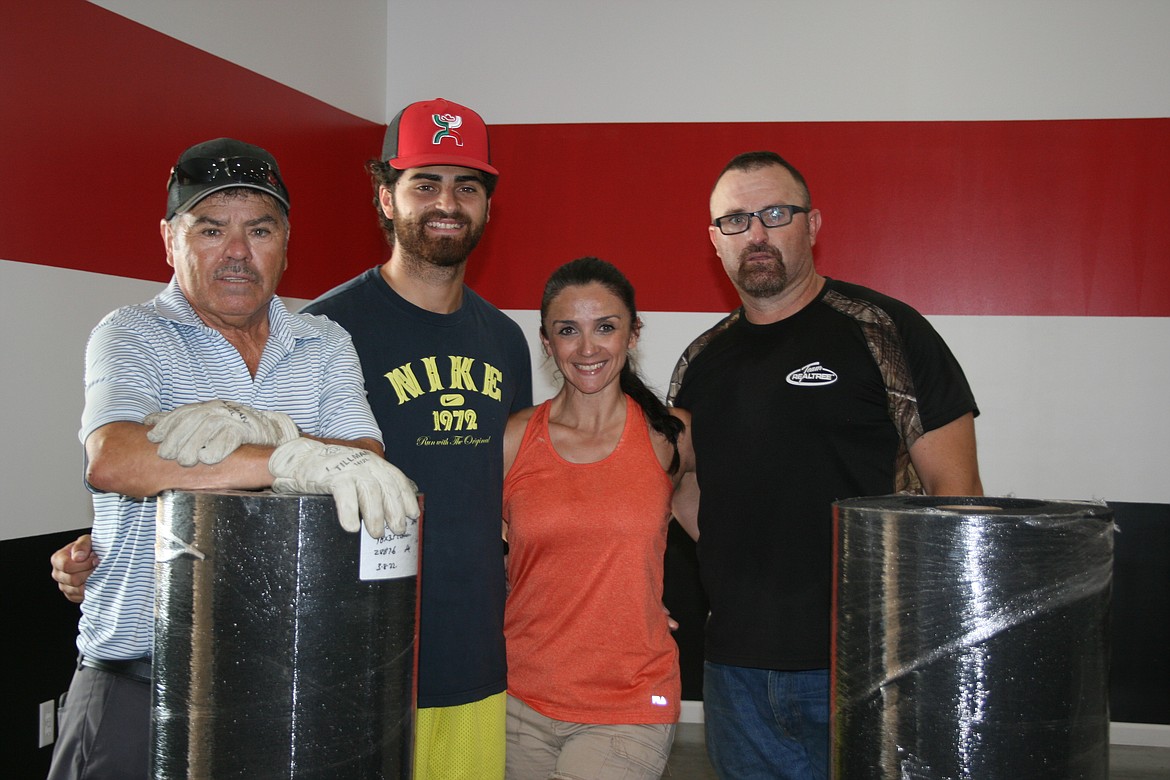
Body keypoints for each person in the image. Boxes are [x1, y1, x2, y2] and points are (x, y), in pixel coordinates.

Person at [47, 137, 419, 780]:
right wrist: (285, 460)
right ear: (170, 239)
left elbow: (362, 462)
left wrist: (267, 435)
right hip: (140, 684)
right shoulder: (131, 333)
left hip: (292, 691)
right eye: (211, 229)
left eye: (260, 229)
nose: (238, 253)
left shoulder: (324, 343)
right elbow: (116, 459)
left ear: (286, 241)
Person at [667, 150, 983, 780]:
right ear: (715, 241)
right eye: (735, 221)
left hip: (865, 664)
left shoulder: (886, 332)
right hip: (736, 670)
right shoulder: (700, 361)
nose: (755, 234)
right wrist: (745, 548)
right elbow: (684, 480)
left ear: (811, 225)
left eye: (774, 214)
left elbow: (957, 493)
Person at [300, 98, 533, 779]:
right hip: (354, 656)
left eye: (468, 186)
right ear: (385, 197)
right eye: (424, 182)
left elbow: (518, 497)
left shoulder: (507, 341)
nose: (447, 202)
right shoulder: (323, 332)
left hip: (475, 655)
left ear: (487, 206)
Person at [501, 257, 694, 779]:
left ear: (634, 333)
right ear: (547, 343)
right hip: (521, 699)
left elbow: (716, 536)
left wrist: (644, 605)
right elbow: (488, 556)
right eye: (569, 331)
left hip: (630, 700)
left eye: (605, 327)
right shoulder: (515, 438)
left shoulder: (669, 435)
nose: (587, 349)